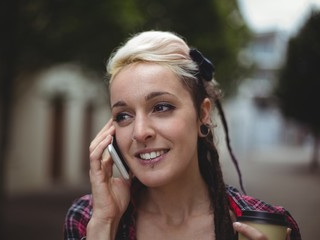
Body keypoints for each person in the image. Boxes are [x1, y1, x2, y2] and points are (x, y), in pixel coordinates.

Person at [63, 30, 301, 240]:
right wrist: (104, 225)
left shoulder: (268, 226)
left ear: (203, 115)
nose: (140, 132)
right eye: (123, 116)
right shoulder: (87, 217)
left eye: (161, 107)